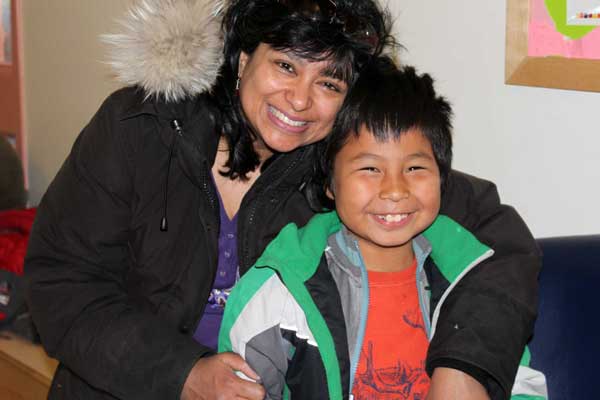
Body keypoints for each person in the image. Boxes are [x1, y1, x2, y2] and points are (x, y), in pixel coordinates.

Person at [24, 0, 540, 399]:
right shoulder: (141, 128)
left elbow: (498, 239)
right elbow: (61, 285)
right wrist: (182, 374)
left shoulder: (344, 165)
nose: (300, 100)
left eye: (329, 83)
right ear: (245, 57)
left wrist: (465, 366)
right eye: (287, 66)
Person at [219, 57, 547, 400]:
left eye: (416, 168)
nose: (394, 190)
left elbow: (515, 378)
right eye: (370, 169)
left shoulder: (470, 271)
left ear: (442, 178)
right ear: (330, 183)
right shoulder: (282, 286)